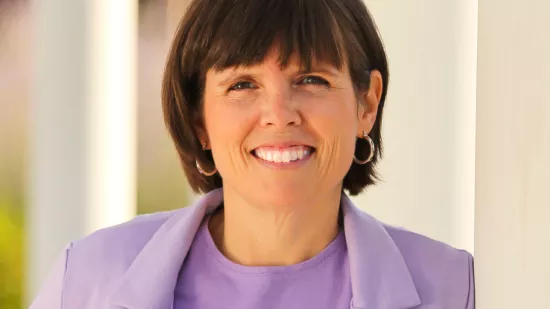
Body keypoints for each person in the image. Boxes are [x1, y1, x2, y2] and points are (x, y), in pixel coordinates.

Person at [30, 0, 475, 308]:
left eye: (312, 80)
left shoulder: (458, 290)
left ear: (367, 104)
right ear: (199, 118)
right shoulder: (87, 280)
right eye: (242, 84)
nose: (279, 115)